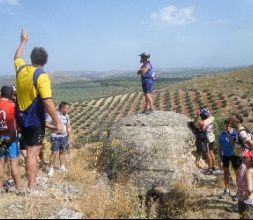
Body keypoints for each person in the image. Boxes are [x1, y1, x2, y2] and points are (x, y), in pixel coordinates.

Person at [14, 29, 63, 194]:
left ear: (31, 58)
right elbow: (47, 101)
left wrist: (23, 41)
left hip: (21, 117)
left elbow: (17, 58)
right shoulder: (41, 76)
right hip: (35, 120)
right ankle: (32, 187)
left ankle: (32, 181)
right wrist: (58, 122)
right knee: (32, 153)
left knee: (29, 150)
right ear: (45, 61)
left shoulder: (21, 70)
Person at [230, 114, 253, 218]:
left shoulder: (242, 133)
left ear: (237, 121)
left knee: (244, 184)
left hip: (246, 161)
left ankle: (245, 208)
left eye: (232, 120)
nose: (231, 121)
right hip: (245, 160)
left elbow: (251, 144)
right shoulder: (244, 130)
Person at [0, 86, 22, 193]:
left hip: (0, 137)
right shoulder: (12, 106)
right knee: (13, 161)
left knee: (1, 162)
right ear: (10, 95)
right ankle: (18, 187)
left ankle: (0, 187)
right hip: (12, 137)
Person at [46, 102, 72, 177]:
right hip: (55, 136)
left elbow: (68, 126)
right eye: (67, 108)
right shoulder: (53, 115)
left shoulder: (67, 116)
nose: (68, 110)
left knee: (62, 152)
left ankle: (62, 166)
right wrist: (55, 128)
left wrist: (69, 132)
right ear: (62, 108)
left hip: (64, 136)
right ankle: (51, 169)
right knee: (54, 153)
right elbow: (46, 123)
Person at [218, 119, 241, 198]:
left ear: (232, 126)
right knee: (226, 173)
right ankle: (227, 190)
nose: (228, 128)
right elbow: (220, 147)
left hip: (235, 155)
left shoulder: (236, 134)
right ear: (224, 125)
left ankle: (239, 191)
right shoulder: (221, 135)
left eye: (229, 126)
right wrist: (220, 158)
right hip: (225, 156)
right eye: (226, 126)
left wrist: (229, 135)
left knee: (237, 173)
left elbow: (233, 146)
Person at [195, 107, 216, 175]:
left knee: (207, 153)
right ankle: (213, 167)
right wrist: (205, 111)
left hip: (206, 139)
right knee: (211, 151)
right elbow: (210, 115)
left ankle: (210, 169)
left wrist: (197, 115)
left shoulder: (202, 123)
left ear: (202, 115)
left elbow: (195, 123)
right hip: (212, 137)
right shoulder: (211, 118)